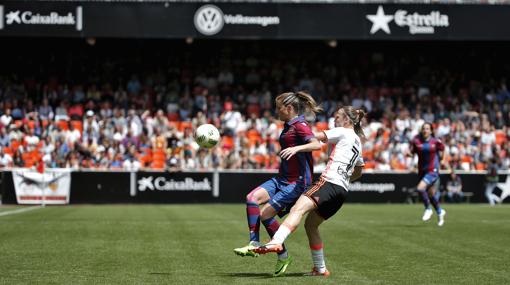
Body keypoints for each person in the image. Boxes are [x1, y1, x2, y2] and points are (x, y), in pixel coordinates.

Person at [252, 106, 365, 277]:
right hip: (341, 190)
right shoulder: (357, 141)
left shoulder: (342, 131)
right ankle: (320, 269)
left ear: (347, 120)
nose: (334, 120)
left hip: (328, 182)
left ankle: (276, 241)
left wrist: (297, 130)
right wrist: (345, 178)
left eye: (337, 116)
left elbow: (312, 137)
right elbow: (359, 171)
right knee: (311, 225)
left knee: (298, 208)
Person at [233, 91, 322, 277]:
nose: (276, 111)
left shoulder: (300, 125)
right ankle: (254, 243)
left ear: (288, 108)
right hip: (282, 178)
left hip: (297, 183)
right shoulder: (288, 125)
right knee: (251, 198)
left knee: (265, 214)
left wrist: (297, 148)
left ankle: (283, 255)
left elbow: (316, 144)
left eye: (278, 107)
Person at [409, 122, 447, 226]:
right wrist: (409, 154)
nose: (425, 130)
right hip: (422, 171)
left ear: (431, 131)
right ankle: (439, 212)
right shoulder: (417, 141)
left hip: (432, 170)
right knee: (430, 195)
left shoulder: (435, 142)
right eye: (424, 128)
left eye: (427, 128)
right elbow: (412, 152)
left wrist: (443, 160)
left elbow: (443, 148)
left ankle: (428, 209)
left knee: (420, 188)